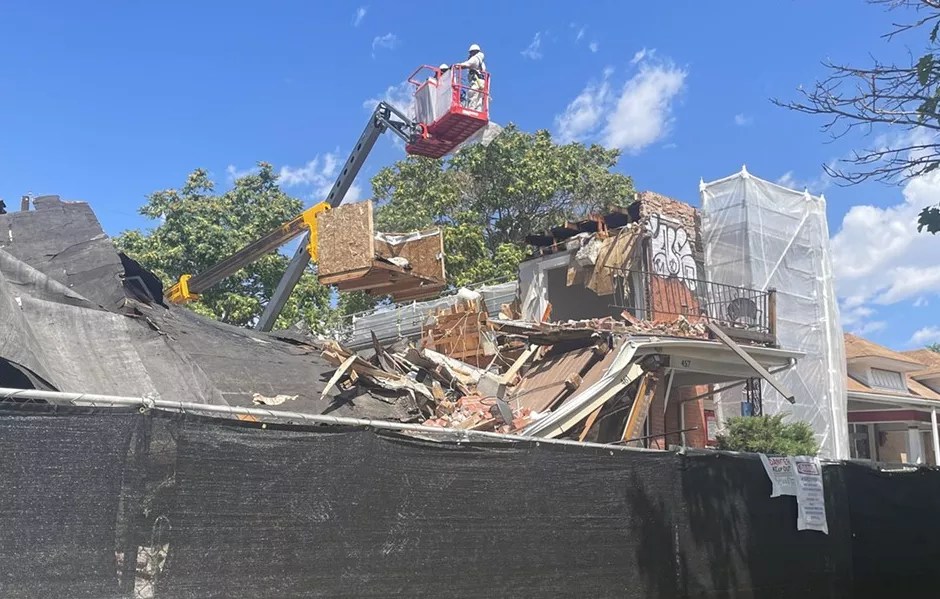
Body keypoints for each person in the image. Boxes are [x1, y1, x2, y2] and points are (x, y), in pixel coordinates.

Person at [454, 43, 486, 111]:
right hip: (481, 82)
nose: (470, 54)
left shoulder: (475, 58)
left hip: (476, 81)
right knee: (479, 98)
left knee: (472, 94)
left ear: (474, 51)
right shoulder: (481, 62)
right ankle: (478, 111)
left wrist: (457, 66)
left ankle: (471, 110)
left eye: (471, 52)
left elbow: (467, 64)